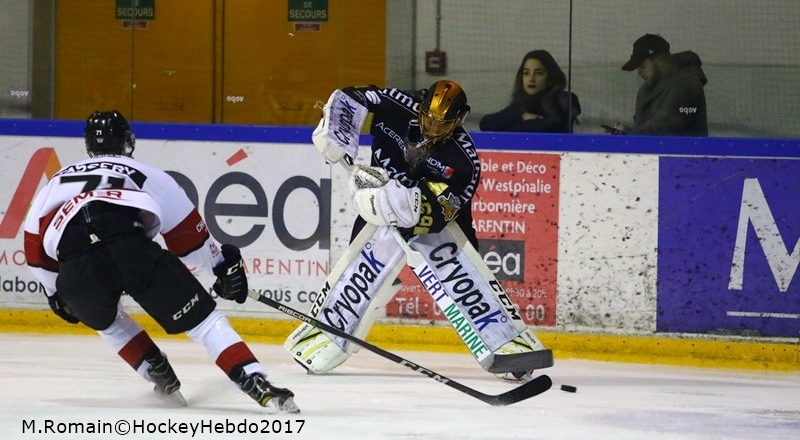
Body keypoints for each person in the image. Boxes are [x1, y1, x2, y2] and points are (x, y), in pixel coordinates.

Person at [23, 110, 299, 413]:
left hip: (75, 265)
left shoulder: (55, 182)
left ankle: (158, 374)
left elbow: (34, 245)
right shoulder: (144, 172)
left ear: (88, 144)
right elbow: (188, 239)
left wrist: (55, 292)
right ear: (127, 141)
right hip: (130, 247)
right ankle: (254, 380)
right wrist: (221, 267)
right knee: (207, 323)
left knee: (108, 322)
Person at [284, 80, 553, 382]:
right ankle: (326, 337)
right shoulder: (396, 104)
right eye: (428, 118)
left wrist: (390, 201)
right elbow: (354, 97)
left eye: (442, 123)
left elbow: (434, 215)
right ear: (421, 106)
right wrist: (337, 127)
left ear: (459, 120)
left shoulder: (464, 161)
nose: (433, 128)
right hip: (378, 213)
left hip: (442, 223)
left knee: (464, 283)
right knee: (360, 272)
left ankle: (507, 346)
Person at [605, 34, 708, 136]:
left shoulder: (686, 84)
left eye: (642, 67)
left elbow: (667, 125)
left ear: (659, 61)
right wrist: (626, 131)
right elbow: (646, 129)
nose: (639, 73)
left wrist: (631, 135)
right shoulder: (645, 90)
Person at [479, 50, 581, 133]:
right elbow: (485, 123)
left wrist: (512, 124)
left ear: (550, 78)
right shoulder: (520, 104)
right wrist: (521, 117)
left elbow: (547, 128)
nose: (531, 79)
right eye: (526, 73)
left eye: (539, 73)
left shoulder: (564, 99)